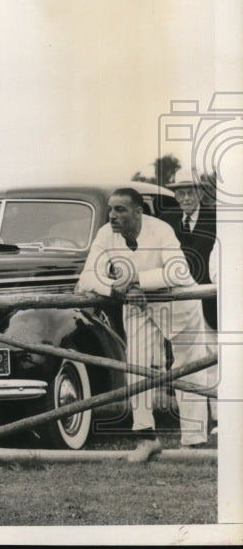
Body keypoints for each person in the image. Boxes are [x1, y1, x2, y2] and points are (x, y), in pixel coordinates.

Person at [77, 187, 216, 462]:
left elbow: (178, 270)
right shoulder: (106, 234)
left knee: (188, 369)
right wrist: (119, 289)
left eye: (120, 210)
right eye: (110, 210)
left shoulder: (161, 230)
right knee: (137, 367)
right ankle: (146, 437)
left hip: (178, 303)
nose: (113, 216)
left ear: (138, 212)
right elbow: (87, 277)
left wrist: (136, 279)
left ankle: (193, 441)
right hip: (136, 304)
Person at [167, 178, 218, 329]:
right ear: (175, 196)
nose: (187, 198)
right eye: (181, 193)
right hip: (177, 305)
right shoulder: (166, 219)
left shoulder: (216, 219)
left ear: (201, 194)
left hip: (209, 305)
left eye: (191, 193)